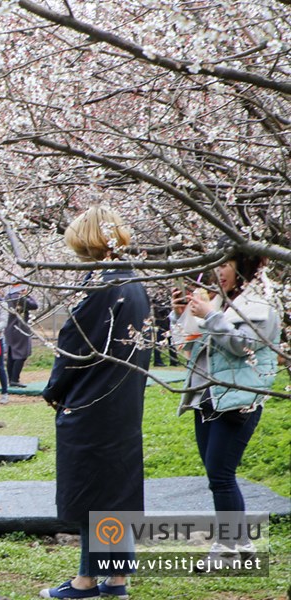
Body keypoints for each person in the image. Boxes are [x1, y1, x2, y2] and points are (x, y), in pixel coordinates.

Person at [39, 206, 149, 599]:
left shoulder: (100, 286)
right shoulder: (133, 282)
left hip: (92, 402)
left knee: (92, 492)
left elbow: (73, 346)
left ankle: (86, 580)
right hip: (123, 400)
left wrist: (54, 390)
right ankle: (116, 579)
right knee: (114, 491)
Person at [173, 244, 280, 567]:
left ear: (243, 267)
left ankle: (227, 550)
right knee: (217, 474)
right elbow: (186, 345)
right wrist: (184, 314)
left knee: (221, 475)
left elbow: (242, 347)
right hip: (208, 396)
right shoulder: (223, 302)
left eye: (226, 264)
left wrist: (211, 316)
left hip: (238, 400)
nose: (218, 272)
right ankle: (242, 543)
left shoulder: (259, 303)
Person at [4, 281, 39, 387]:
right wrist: (27, 295)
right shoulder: (20, 297)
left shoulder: (7, 296)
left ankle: (10, 379)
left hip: (9, 328)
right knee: (21, 354)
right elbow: (34, 305)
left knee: (11, 354)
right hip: (20, 328)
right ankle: (15, 379)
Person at [150, 287, 181, 367]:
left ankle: (174, 361)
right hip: (162, 322)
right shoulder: (157, 298)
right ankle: (157, 361)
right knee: (159, 342)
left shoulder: (166, 297)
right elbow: (159, 310)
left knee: (171, 342)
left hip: (167, 322)